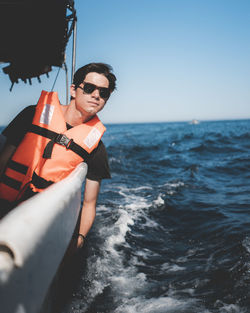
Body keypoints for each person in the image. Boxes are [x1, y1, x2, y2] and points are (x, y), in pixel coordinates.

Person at [0, 62, 116, 250]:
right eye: (89, 88)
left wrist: (79, 239)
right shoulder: (31, 114)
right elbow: (2, 161)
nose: (96, 95)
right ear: (73, 90)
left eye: (104, 93)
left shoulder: (96, 149)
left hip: (41, 223)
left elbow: (89, 203)